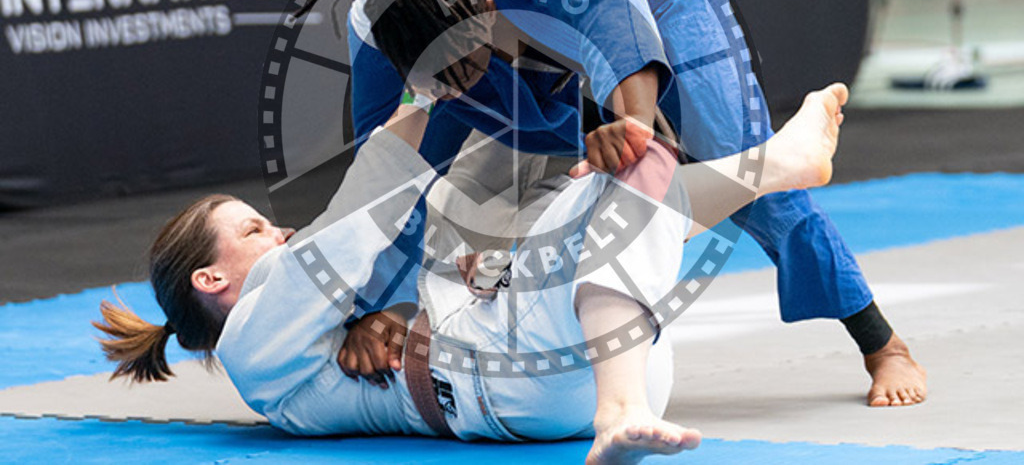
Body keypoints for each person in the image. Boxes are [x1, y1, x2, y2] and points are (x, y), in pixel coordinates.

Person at [341, 0, 925, 407]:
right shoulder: (375, 21)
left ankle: (881, 342)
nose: (461, 90)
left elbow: (623, 32)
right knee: (409, 168)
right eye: (441, 80)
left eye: (463, 69)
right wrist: (380, 305)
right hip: (499, 19)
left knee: (736, 157)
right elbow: (381, 181)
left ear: (488, 5)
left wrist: (630, 130)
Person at [95, 75, 850, 463]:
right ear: (211, 279)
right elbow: (355, 223)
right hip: (509, 377)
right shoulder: (251, 346)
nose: (280, 229)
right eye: (254, 228)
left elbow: (376, 256)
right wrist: (430, 89)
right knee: (620, 178)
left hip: (573, 358)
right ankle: (619, 412)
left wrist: (378, 315)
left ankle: (781, 163)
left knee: (627, 172)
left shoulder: (303, 331)